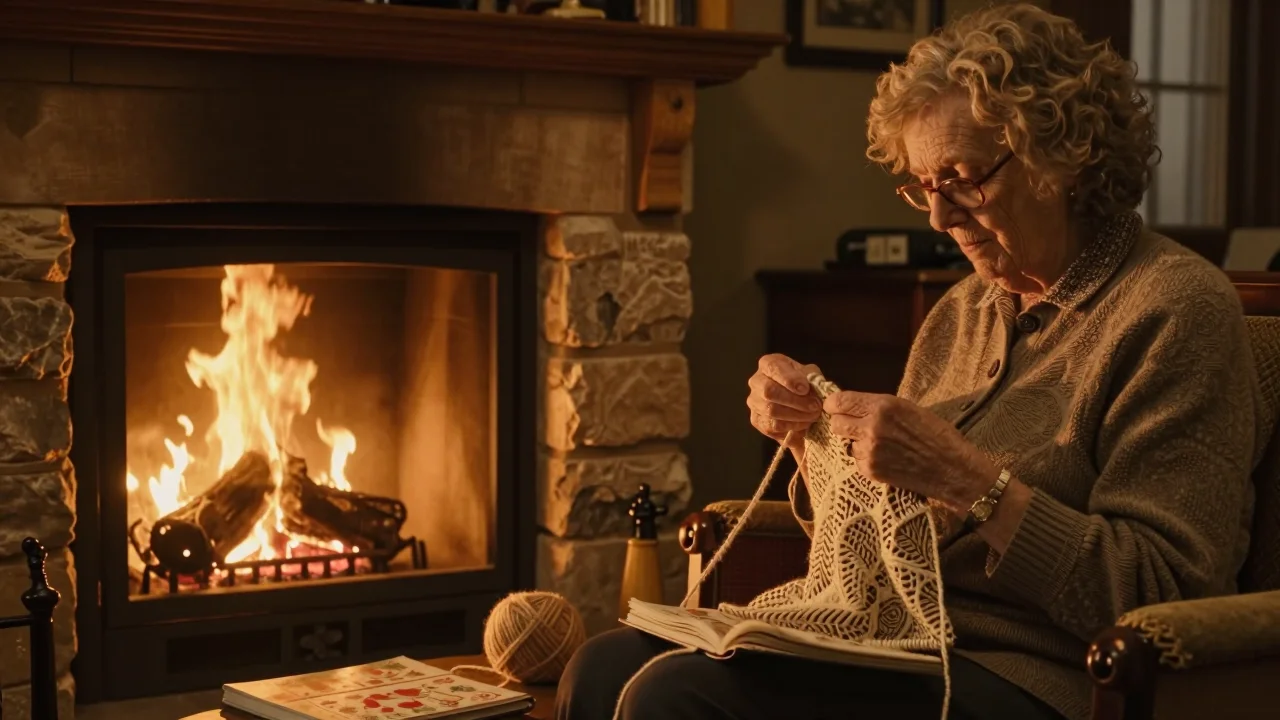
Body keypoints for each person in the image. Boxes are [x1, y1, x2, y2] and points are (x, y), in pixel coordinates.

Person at [554, 4, 1263, 720]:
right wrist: (812, 444)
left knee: (671, 695)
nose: (938, 217)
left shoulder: (1175, 311)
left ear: (1063, 158)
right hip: (894, 643)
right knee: (601, 666)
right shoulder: (962, 312)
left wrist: (966, 480)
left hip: (1042, 675)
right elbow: (884, 540)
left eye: (962, 178)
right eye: (924, 185)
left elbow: (1163, 598)